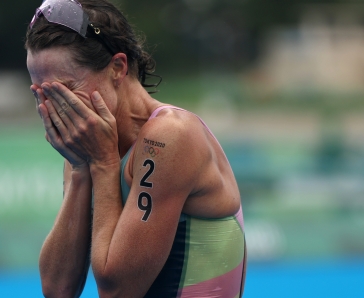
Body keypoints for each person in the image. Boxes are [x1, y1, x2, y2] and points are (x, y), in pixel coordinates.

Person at [25, 0, 246, 297]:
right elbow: (57, 289)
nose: (53, 109)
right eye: (41, 93)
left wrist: (103, 164)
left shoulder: (170, 135)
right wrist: (80, 170)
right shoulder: (87, 143)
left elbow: (119, 291)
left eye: (64, 90)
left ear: (117, 68)